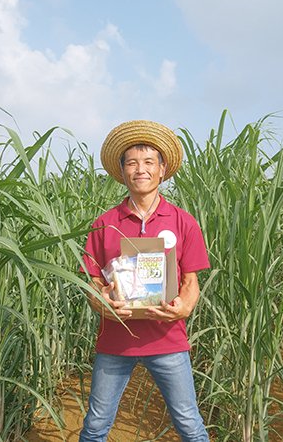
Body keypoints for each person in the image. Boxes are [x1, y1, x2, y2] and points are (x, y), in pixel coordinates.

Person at [79, 120, 211, 442]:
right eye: (132, 163)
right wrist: (103, 303)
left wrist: (184, 307)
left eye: (149, 162)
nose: (141, 169)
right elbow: (92, 282)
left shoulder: (183, 222)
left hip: (167, 339)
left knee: (189, 424)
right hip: (116, 341)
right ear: (122, 171)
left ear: (162, 170)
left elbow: (191, 280)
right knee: (96, 426)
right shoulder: (105, 224)